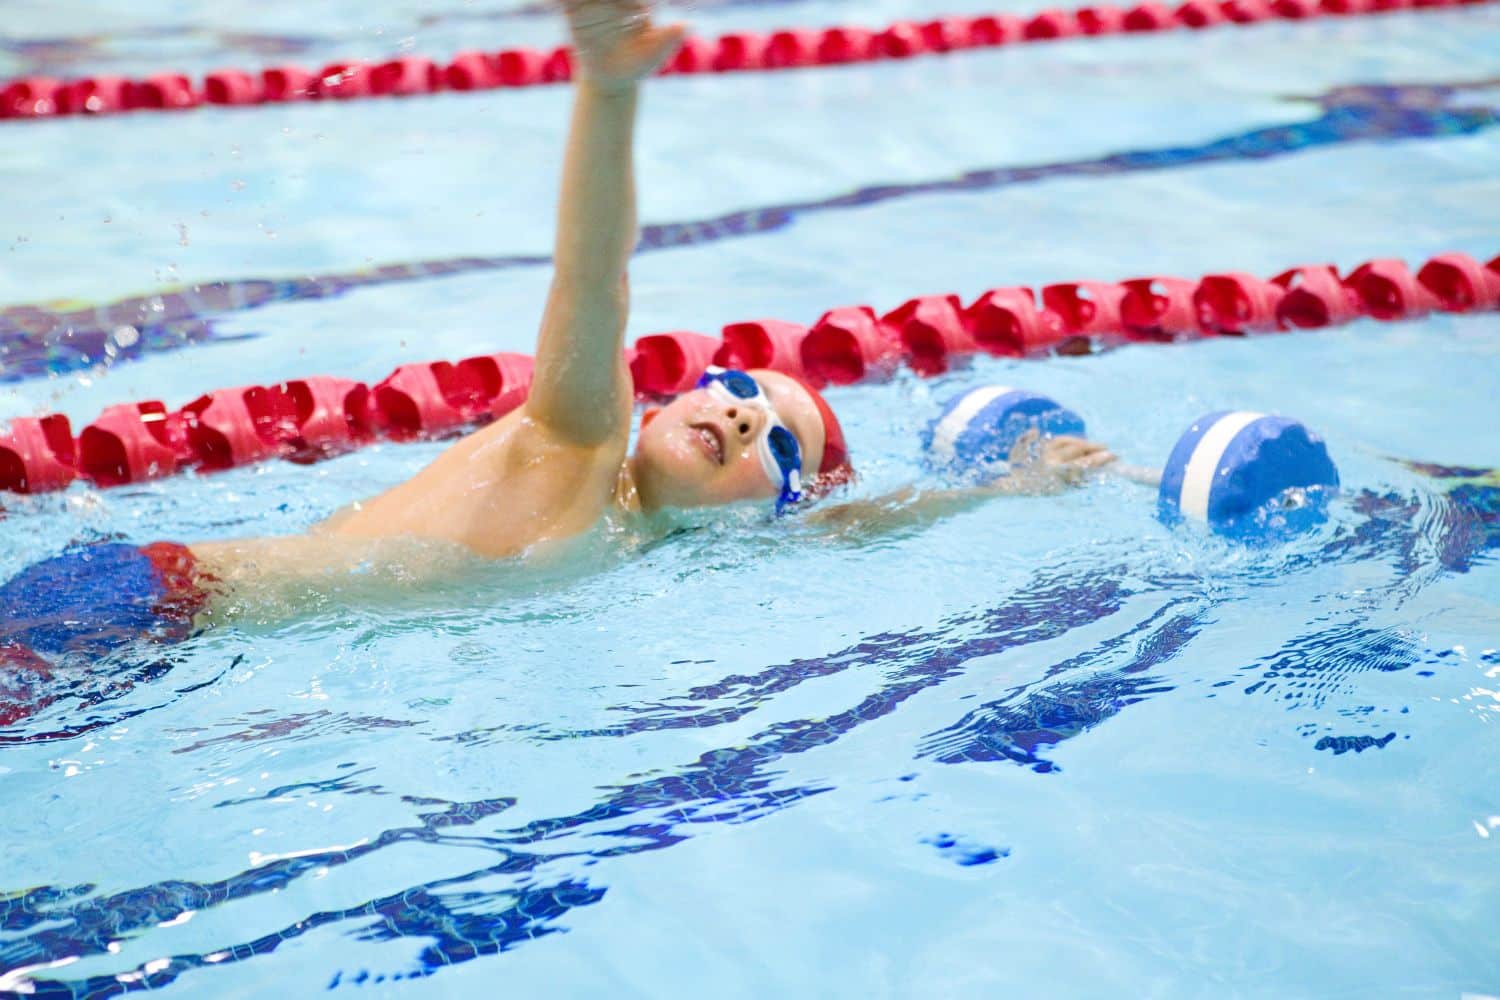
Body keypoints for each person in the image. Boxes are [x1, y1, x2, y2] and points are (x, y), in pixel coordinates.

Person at [0, 0, 1116, 722]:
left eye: (776, 441)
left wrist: (1005, 492)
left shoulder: (645, 537)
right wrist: (610, 92)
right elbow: (594, 276)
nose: (741, 418)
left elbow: (840, 526)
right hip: (128, 611)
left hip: (153, 645)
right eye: (740, 388)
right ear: (682, 389)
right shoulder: (581, 438)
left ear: (762, 506)